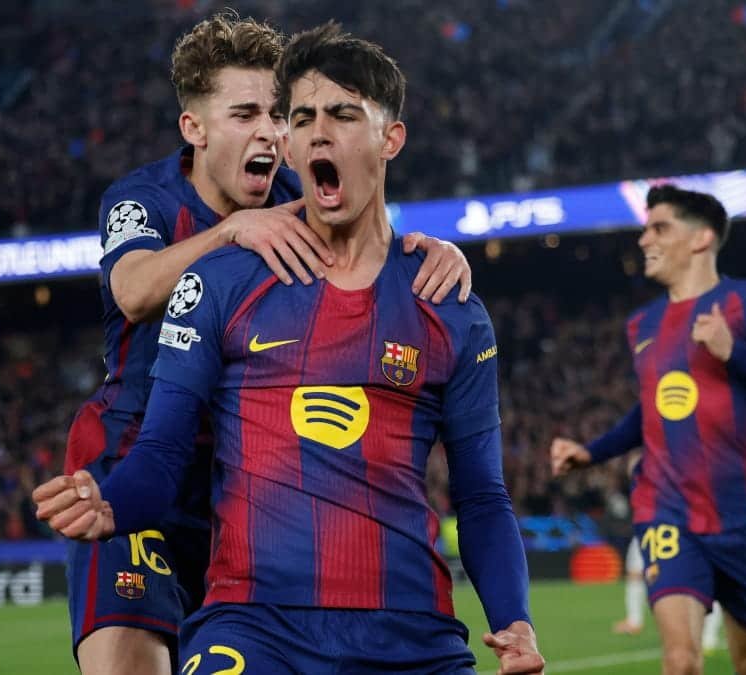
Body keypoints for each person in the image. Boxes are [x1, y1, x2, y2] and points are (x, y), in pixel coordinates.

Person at [35, 22, 544, 675]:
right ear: (194, 128)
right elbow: (132, 291)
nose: (274, 134)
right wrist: (232, 232)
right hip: (138, 456)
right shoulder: (148, 202)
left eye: (280, 116)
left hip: (238, 489)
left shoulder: (296, 200)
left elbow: (361, 222)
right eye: (248, 114)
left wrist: (436, 250)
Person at [551, 184, 746, 675]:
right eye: (645, 229)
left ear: (702, 238)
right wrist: (592, 453)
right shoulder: (642, 324)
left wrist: (735, 352)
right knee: (681, 661)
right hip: (667, 509)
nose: (644, 240)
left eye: (659, 228)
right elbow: (652, 410)